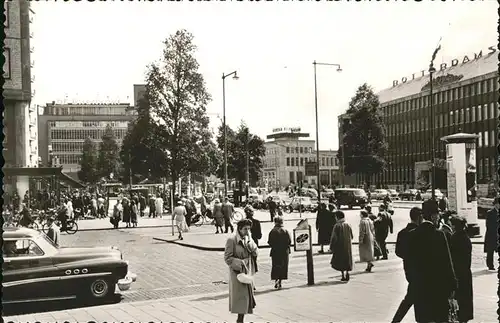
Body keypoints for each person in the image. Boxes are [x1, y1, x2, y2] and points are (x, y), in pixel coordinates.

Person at [407, 199, 457, 323]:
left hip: (420, 288)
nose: (439, 216)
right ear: (433, 216)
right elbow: (447, 263)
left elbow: (408, 263)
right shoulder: (439, 235)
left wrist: (413, 281)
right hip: (438, 289)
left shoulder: (412, 235)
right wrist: (452, 286)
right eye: (438, 214)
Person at [391, 207, 423, 323]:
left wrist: (408, 257)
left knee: (413, 296)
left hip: (409, 269)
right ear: (420, 217)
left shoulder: (402, 233)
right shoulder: (420, 233)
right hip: (420, 271)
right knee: (412, 297)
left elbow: (398, 252)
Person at [224, 219, 258, 323]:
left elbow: (255, 252)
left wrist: (250, 242)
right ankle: (240, 319)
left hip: (247, 272)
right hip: (237, 273)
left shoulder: (248, 238)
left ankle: (241, 319)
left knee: (246, 297)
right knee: (241, 297)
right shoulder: (232, 240)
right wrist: (241, 263)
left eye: (249, 229)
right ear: (239, 229)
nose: (247, 231)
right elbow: (227, 258)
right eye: (245, 229)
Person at [450, 215, 474, 323]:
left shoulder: (454, 238)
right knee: (465, 299)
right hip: (466, 273)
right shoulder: (466, 238)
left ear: (455, 226)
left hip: (457, 273)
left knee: (457, 299)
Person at [268, 216, 291, 289]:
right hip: (284, 251)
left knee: (276, 266)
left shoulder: (273, 231)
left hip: (275, 251)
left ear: (275, 222)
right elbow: (289, 241)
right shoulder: (286, 230)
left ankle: (276, 280)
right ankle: (280, 281)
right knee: (283, 266)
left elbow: (270, 242)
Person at [330, 211, 353, 282]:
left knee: (340, 260)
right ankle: (347, 273)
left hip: (339, 245)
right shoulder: (348, 224)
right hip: (348, 245)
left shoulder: (337, 226)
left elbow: (334, 237)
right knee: (347, 259)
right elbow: (351, 236)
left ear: (337, 217)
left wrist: (331, 246)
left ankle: (343, 275)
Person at [484, 196, 499, 270]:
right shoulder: (490, 213)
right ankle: (490, 265)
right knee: (490, 251)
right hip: (491, 234)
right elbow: (488, 225)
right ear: (496, 204)